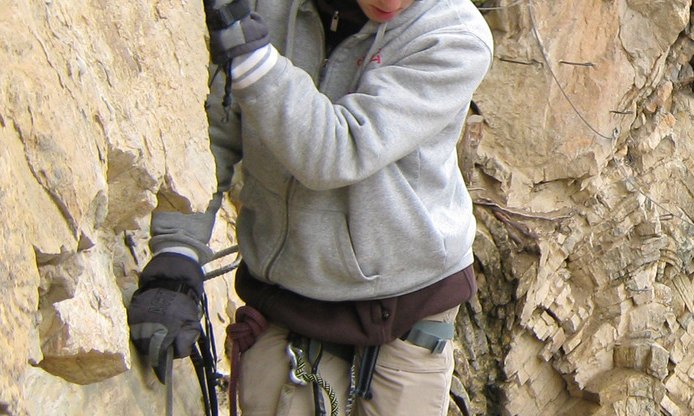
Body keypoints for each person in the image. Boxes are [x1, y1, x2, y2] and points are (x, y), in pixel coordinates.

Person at [126, 0, 493, 414]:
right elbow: (214, 131)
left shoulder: (453, 36)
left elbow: (338, 151)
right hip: (288, 297)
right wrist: (177, 254)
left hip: (406, 304)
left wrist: (252, 62)